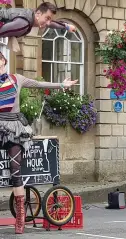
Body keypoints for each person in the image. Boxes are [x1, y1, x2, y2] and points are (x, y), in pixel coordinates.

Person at [0, 51, 77, 234]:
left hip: (14, 129)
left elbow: (37, 84)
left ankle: (20, 217)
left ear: (3, 61)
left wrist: (60, 84)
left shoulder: (16, 79)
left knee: (15, 170)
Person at [0, 2, 77, 52]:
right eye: (47, 18)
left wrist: (66, 26)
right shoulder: (23, 25)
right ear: (38, 14)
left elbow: (51, 23)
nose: (48, 23)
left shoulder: (32, 14)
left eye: (50, 19)